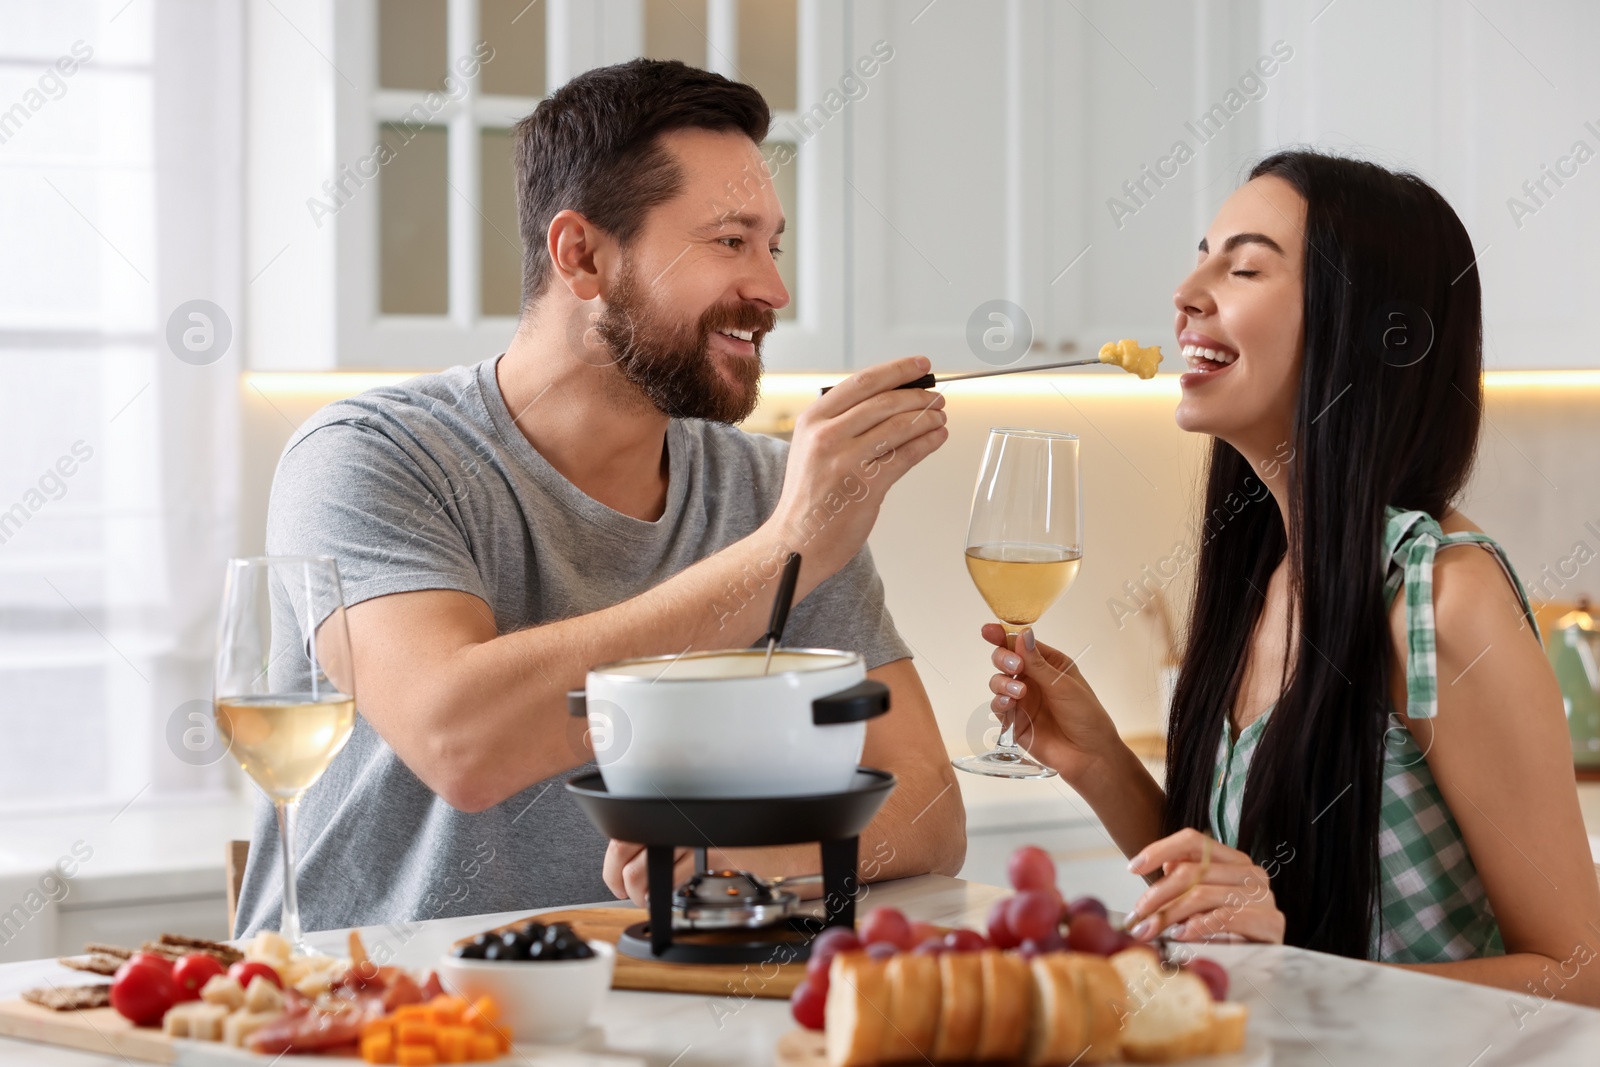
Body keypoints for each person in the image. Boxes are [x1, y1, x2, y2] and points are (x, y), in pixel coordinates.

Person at [232, 59, 963, 937]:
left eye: (773, 245)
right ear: (580, 254)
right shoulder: (369, 456)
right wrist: (784, 552)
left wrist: (747, 850)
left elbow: (930, 808)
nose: (773, 289)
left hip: (652, 1007)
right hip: (379, 1017)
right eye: (730, 241)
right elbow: (462, 741)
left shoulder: (771, 488)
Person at [985, 150, 1600, 1004]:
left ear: (1363, 328)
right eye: (1202, 255)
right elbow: (1243, 904)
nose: (1187, 291)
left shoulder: (1439, 598)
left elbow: (1580, 973)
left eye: (1241, 266)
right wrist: (1102, 766)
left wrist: (1302, 978)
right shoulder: (1264, 572)